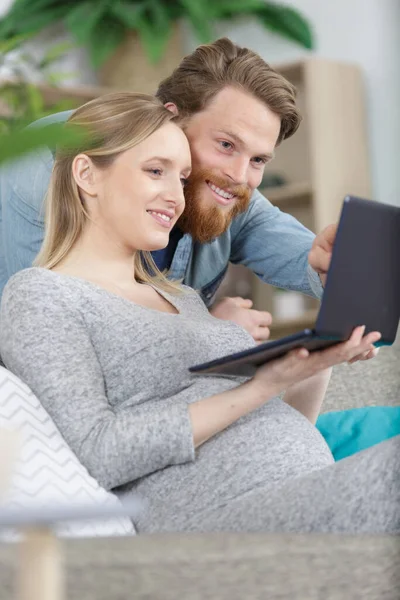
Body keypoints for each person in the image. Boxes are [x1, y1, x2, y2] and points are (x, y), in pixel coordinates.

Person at [1, 92, 398, 536]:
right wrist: (264, 384)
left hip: (302, 491)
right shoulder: (41, 294)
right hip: (213, 521)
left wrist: (316, 361)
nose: (176, 196)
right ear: (87, 173)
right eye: (156, 171)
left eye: (183, 177)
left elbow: (270, 426)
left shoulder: (181, 297)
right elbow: (98, 450)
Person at [0, 38, 341, 345]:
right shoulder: (51, 166)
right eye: (225, 144)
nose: (238, 175)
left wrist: (335, 267)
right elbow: (59, 333)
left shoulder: (225, 189)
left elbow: (304, 257)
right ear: (171, 117)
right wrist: (207, 330)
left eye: (258, 159)